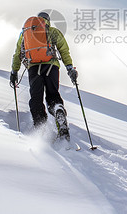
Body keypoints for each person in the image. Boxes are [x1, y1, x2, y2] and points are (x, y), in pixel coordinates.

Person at [10, 11, 78, 140]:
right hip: (51, 66)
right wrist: (69, 68)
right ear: (47, 21)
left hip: (34, 68)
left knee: (36, 98)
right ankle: (58, 109)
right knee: (53, 94)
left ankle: (40, 129)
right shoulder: (52, 31)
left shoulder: (25, 33)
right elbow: (64, 50)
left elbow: (17, 53)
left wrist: (14, 72)